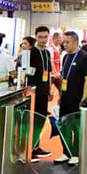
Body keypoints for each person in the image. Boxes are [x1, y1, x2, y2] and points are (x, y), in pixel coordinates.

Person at [56, 31, 87, 165]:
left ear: (76, 42)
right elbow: (63, 77)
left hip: (77, 98)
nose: (65, 45)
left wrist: (84, 98)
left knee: (77, 127)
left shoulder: (84, 57)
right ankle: (66, 152)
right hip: (65, 97)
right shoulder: (65, 57)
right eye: (64, 42)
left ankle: (76, 153)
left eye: (68, 42)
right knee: (64, 125)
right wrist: (60, 95)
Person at [29, 26, 55, 162]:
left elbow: (48, 72)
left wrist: (49, 88)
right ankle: (30, 149)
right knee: (33, 119)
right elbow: (27, 73)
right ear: (36, 37)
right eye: (40, 37)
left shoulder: (47, 53)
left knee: (41, 118)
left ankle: (36, 146)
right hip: (34, 91)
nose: (43, 40)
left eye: (45, 37)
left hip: (44, 90)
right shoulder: (31, 52)